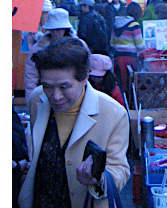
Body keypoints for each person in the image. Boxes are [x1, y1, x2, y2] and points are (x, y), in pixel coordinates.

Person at [18, 38, 130, 208]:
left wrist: (98, 178)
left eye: (64, 87)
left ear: (85, 77)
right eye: (48, 86)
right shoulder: (36, 99)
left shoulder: (114, 113)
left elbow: (120, 169)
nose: (55, 96)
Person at [25, 8, 84, 102]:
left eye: (58, 29)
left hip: (73, 95)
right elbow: (31, 76)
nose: (55, 32)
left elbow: (84, 73)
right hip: (46, 95)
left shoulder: (79, 46)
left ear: (65, 29)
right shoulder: (38, 48)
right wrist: (31, 101)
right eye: (52, 29)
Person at [110, 1, 146, 95]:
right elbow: (140, 45)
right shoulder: (134, 25)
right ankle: (130, 105)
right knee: (130, 84)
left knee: (120, 84)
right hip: (130, 59)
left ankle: (121, 102)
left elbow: (112, 43)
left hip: (117, 58)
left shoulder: (116, 24)